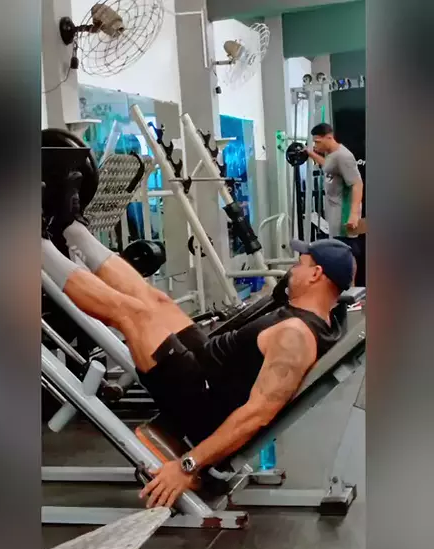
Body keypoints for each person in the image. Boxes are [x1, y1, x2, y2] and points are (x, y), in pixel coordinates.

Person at [42, 188, 354, 510]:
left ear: (316, 275)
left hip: (199, 399)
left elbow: (256, 416)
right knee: (156, 299)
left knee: (132, 313)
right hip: (209, 369)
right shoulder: (321, 316)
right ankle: (70, 227)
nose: (293, 269)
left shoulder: (295, 336)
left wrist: (187, 465)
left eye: (300, 264)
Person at [307, 123, 363, 238]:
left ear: (329, 137)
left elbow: (357, 184)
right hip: (334, 211)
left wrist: (353, 214)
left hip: (343, 215)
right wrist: (310, 154)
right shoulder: (331, 154)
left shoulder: (343, 156)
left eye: (318, 142)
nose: (316, 146)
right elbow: (328, 165)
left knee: (344, 246)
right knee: (336, 244)